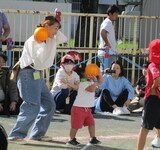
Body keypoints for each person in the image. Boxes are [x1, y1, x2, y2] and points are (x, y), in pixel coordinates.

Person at [8, 15, 68, 144]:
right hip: (27, 74)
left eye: (58, 28)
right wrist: (40, 42)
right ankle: (15, 135)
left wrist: (57, 23)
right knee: (32, 105)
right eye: (55, 28)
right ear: (46, 26)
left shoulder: (52, 38)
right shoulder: (33, 41)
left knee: (50, 105)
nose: (57, 31)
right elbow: (39, 59)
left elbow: (64, 38)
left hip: (37, 74)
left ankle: (37, 134)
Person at [137, 39, 160, 150]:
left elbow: (158, 78)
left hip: (153, 100)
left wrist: (152, 87)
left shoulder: (153, 66)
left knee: (144, 129)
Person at [67, 63, 103, 146]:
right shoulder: (83, 83)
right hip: (78, 108)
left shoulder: (89, 81)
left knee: (91, 123)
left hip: (87, 109)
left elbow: (100, 82)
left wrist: (99, 73)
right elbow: (91, 89)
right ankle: (71, 139)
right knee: (75, 126)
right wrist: (94, 80)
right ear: (83, 74)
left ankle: (92, 138)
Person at [98, 4, 119, 72]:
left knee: (105, 72)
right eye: (115, 14)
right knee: (107, 72)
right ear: (110, 14)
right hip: (107, 53)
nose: (117, 16)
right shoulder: (108, 22)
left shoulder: (107, 22)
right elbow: (103, 31)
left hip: (108, 53)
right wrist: (106, 42)